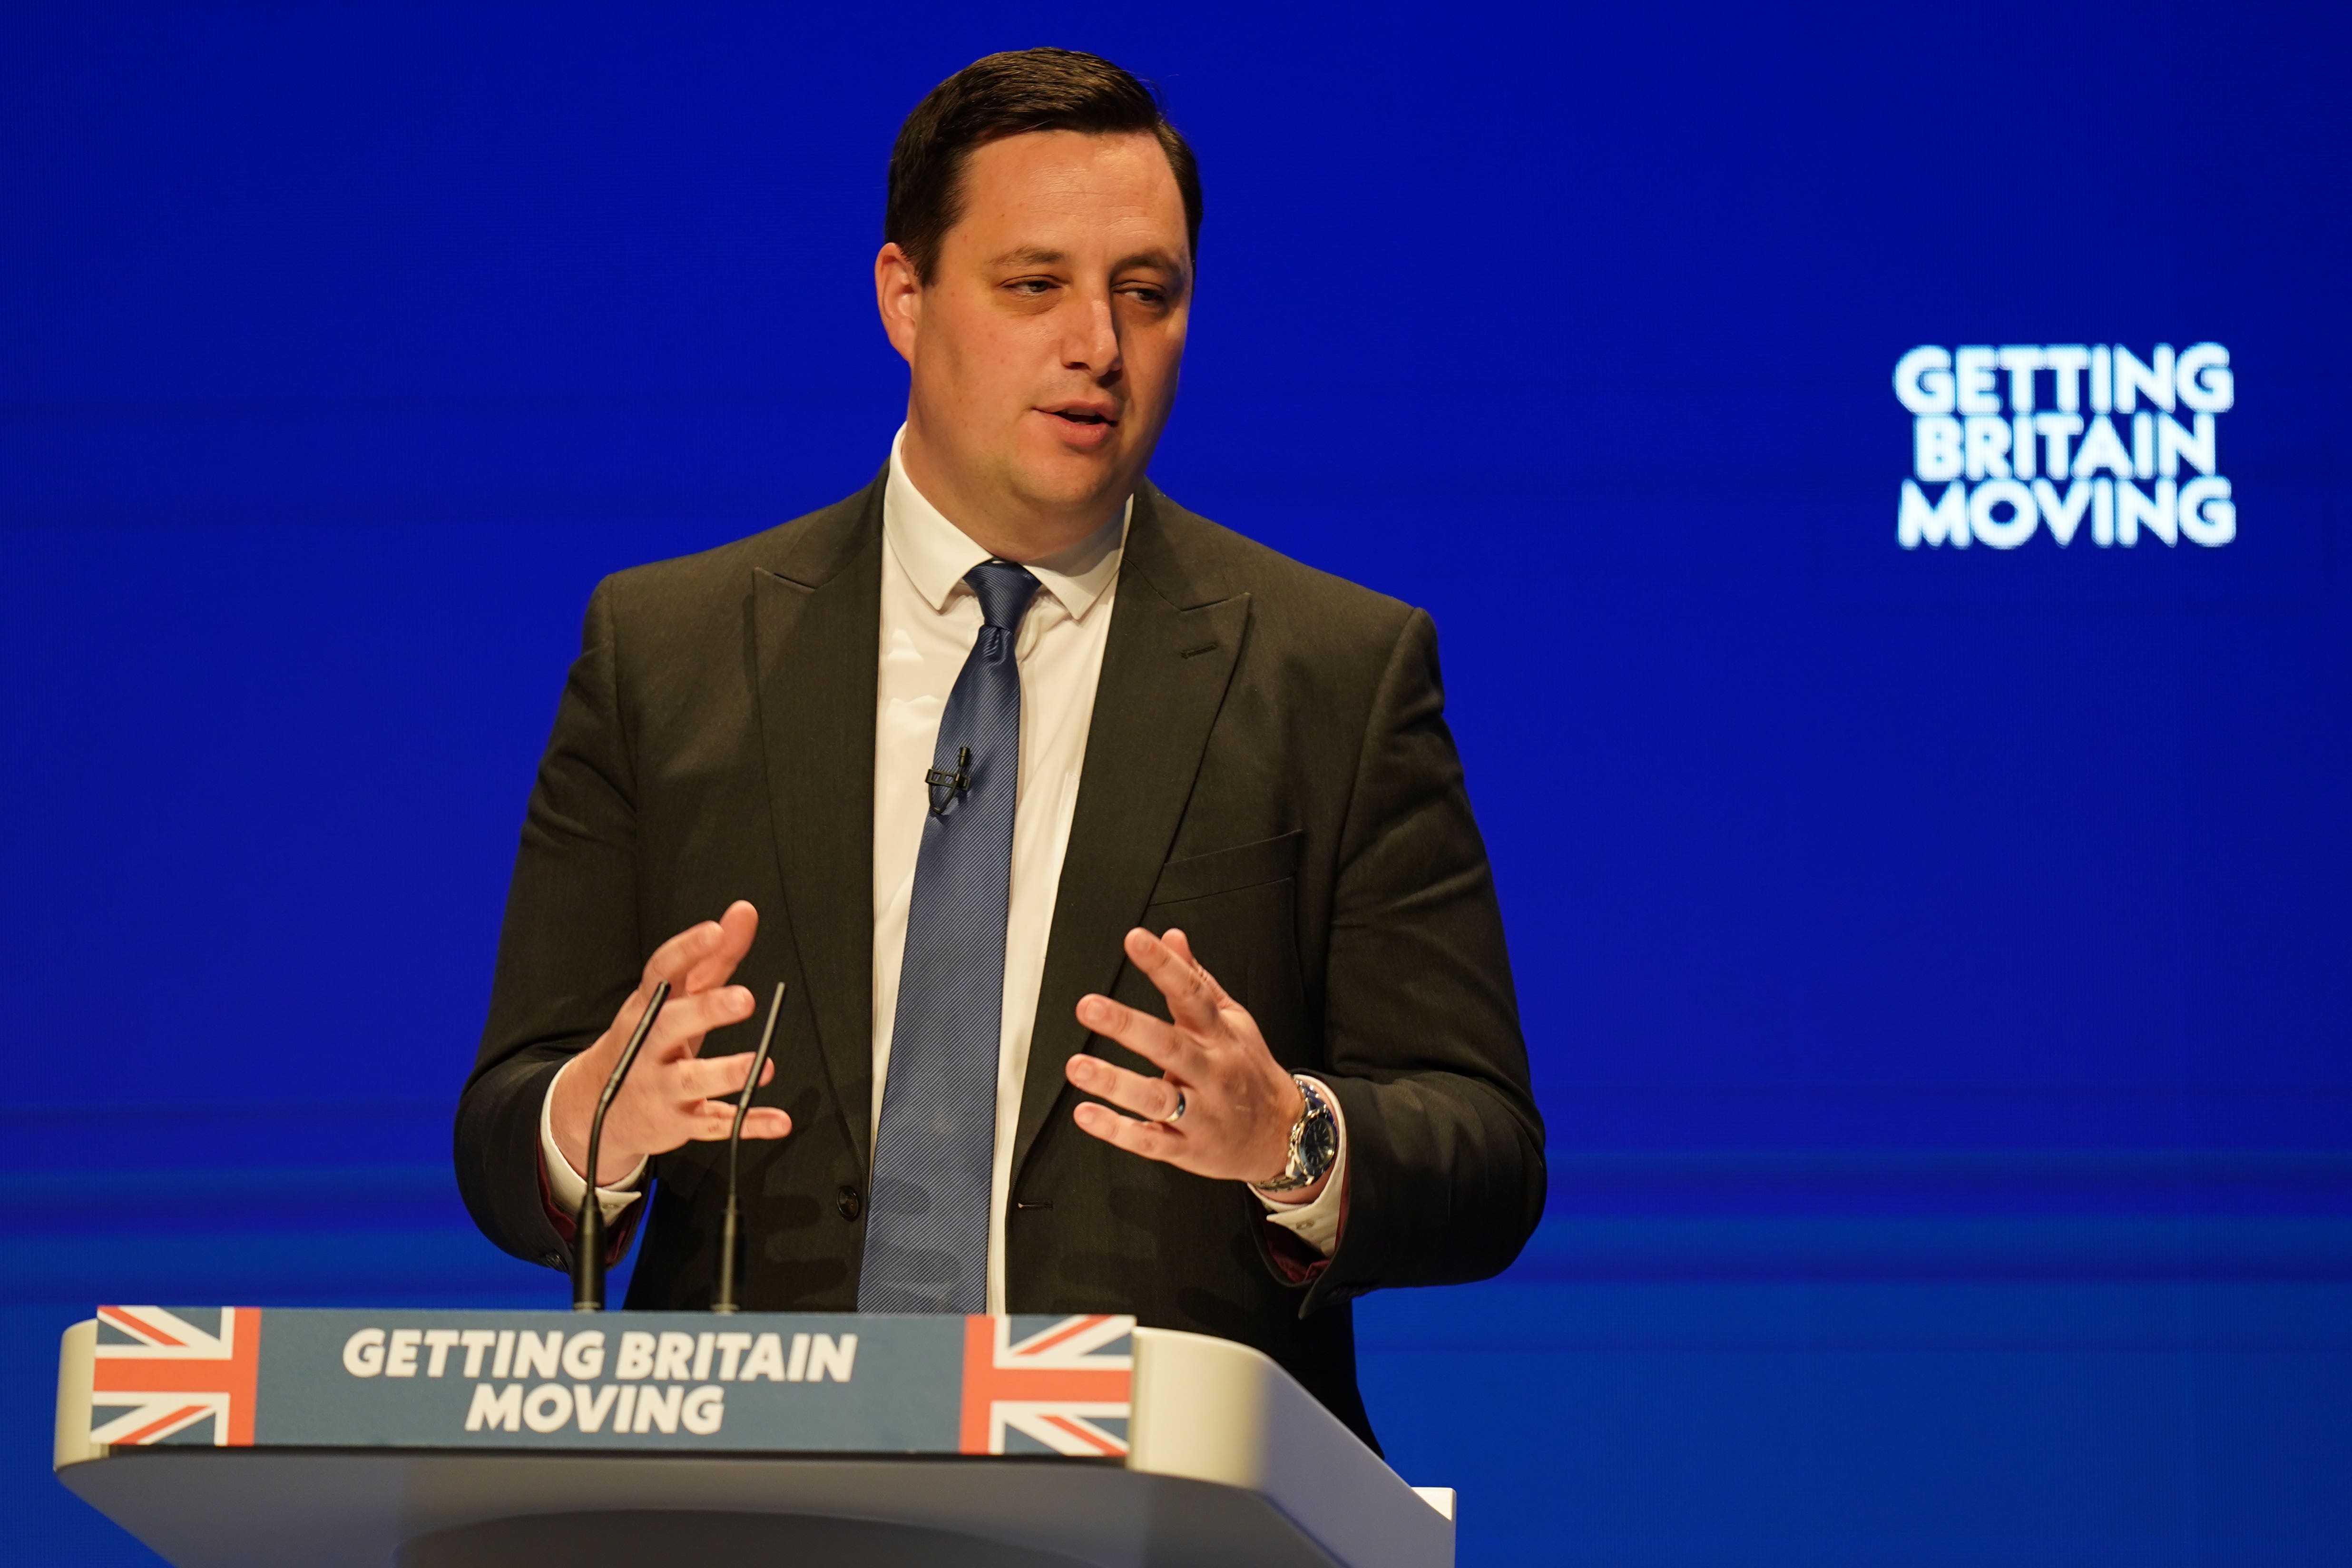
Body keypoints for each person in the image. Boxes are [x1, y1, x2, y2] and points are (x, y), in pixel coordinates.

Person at [455, 46, 1542, 1448]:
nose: (1099, 339)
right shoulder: (666, 653)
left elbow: (1489, 1157)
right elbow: (508, 1131)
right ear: (904, 298)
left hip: (1169, 1507)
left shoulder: (1334, 673)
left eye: (1147, 294)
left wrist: (1292, 1136)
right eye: (1037, 286)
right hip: (753, 1502)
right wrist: (586, 1124)